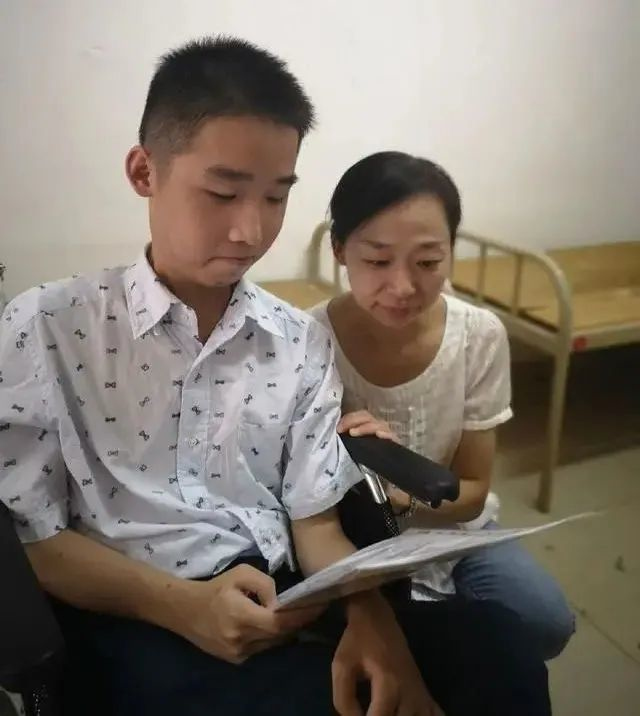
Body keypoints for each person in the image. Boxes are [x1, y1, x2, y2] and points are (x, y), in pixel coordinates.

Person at [0, 38, 551, 716]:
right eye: (223, 193)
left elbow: (316, 525)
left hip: (289, 592)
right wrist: (183, 607)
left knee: (498, 645)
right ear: (145, 171)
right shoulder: (48, 327)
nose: (250, 231)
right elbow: (34, 539)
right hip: (131, 613)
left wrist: (373, 622)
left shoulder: (296, 340)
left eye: (275, 197)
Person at [309, 151, 575, 660]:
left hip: (453, 530)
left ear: (452, 250)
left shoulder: (478, 337)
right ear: (339, 250)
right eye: (377, 261)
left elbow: (472, 493)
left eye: (429, 262)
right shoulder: (307, 339)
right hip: (352, 538)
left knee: (545, 623)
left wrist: (399, 499)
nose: (403, 288)